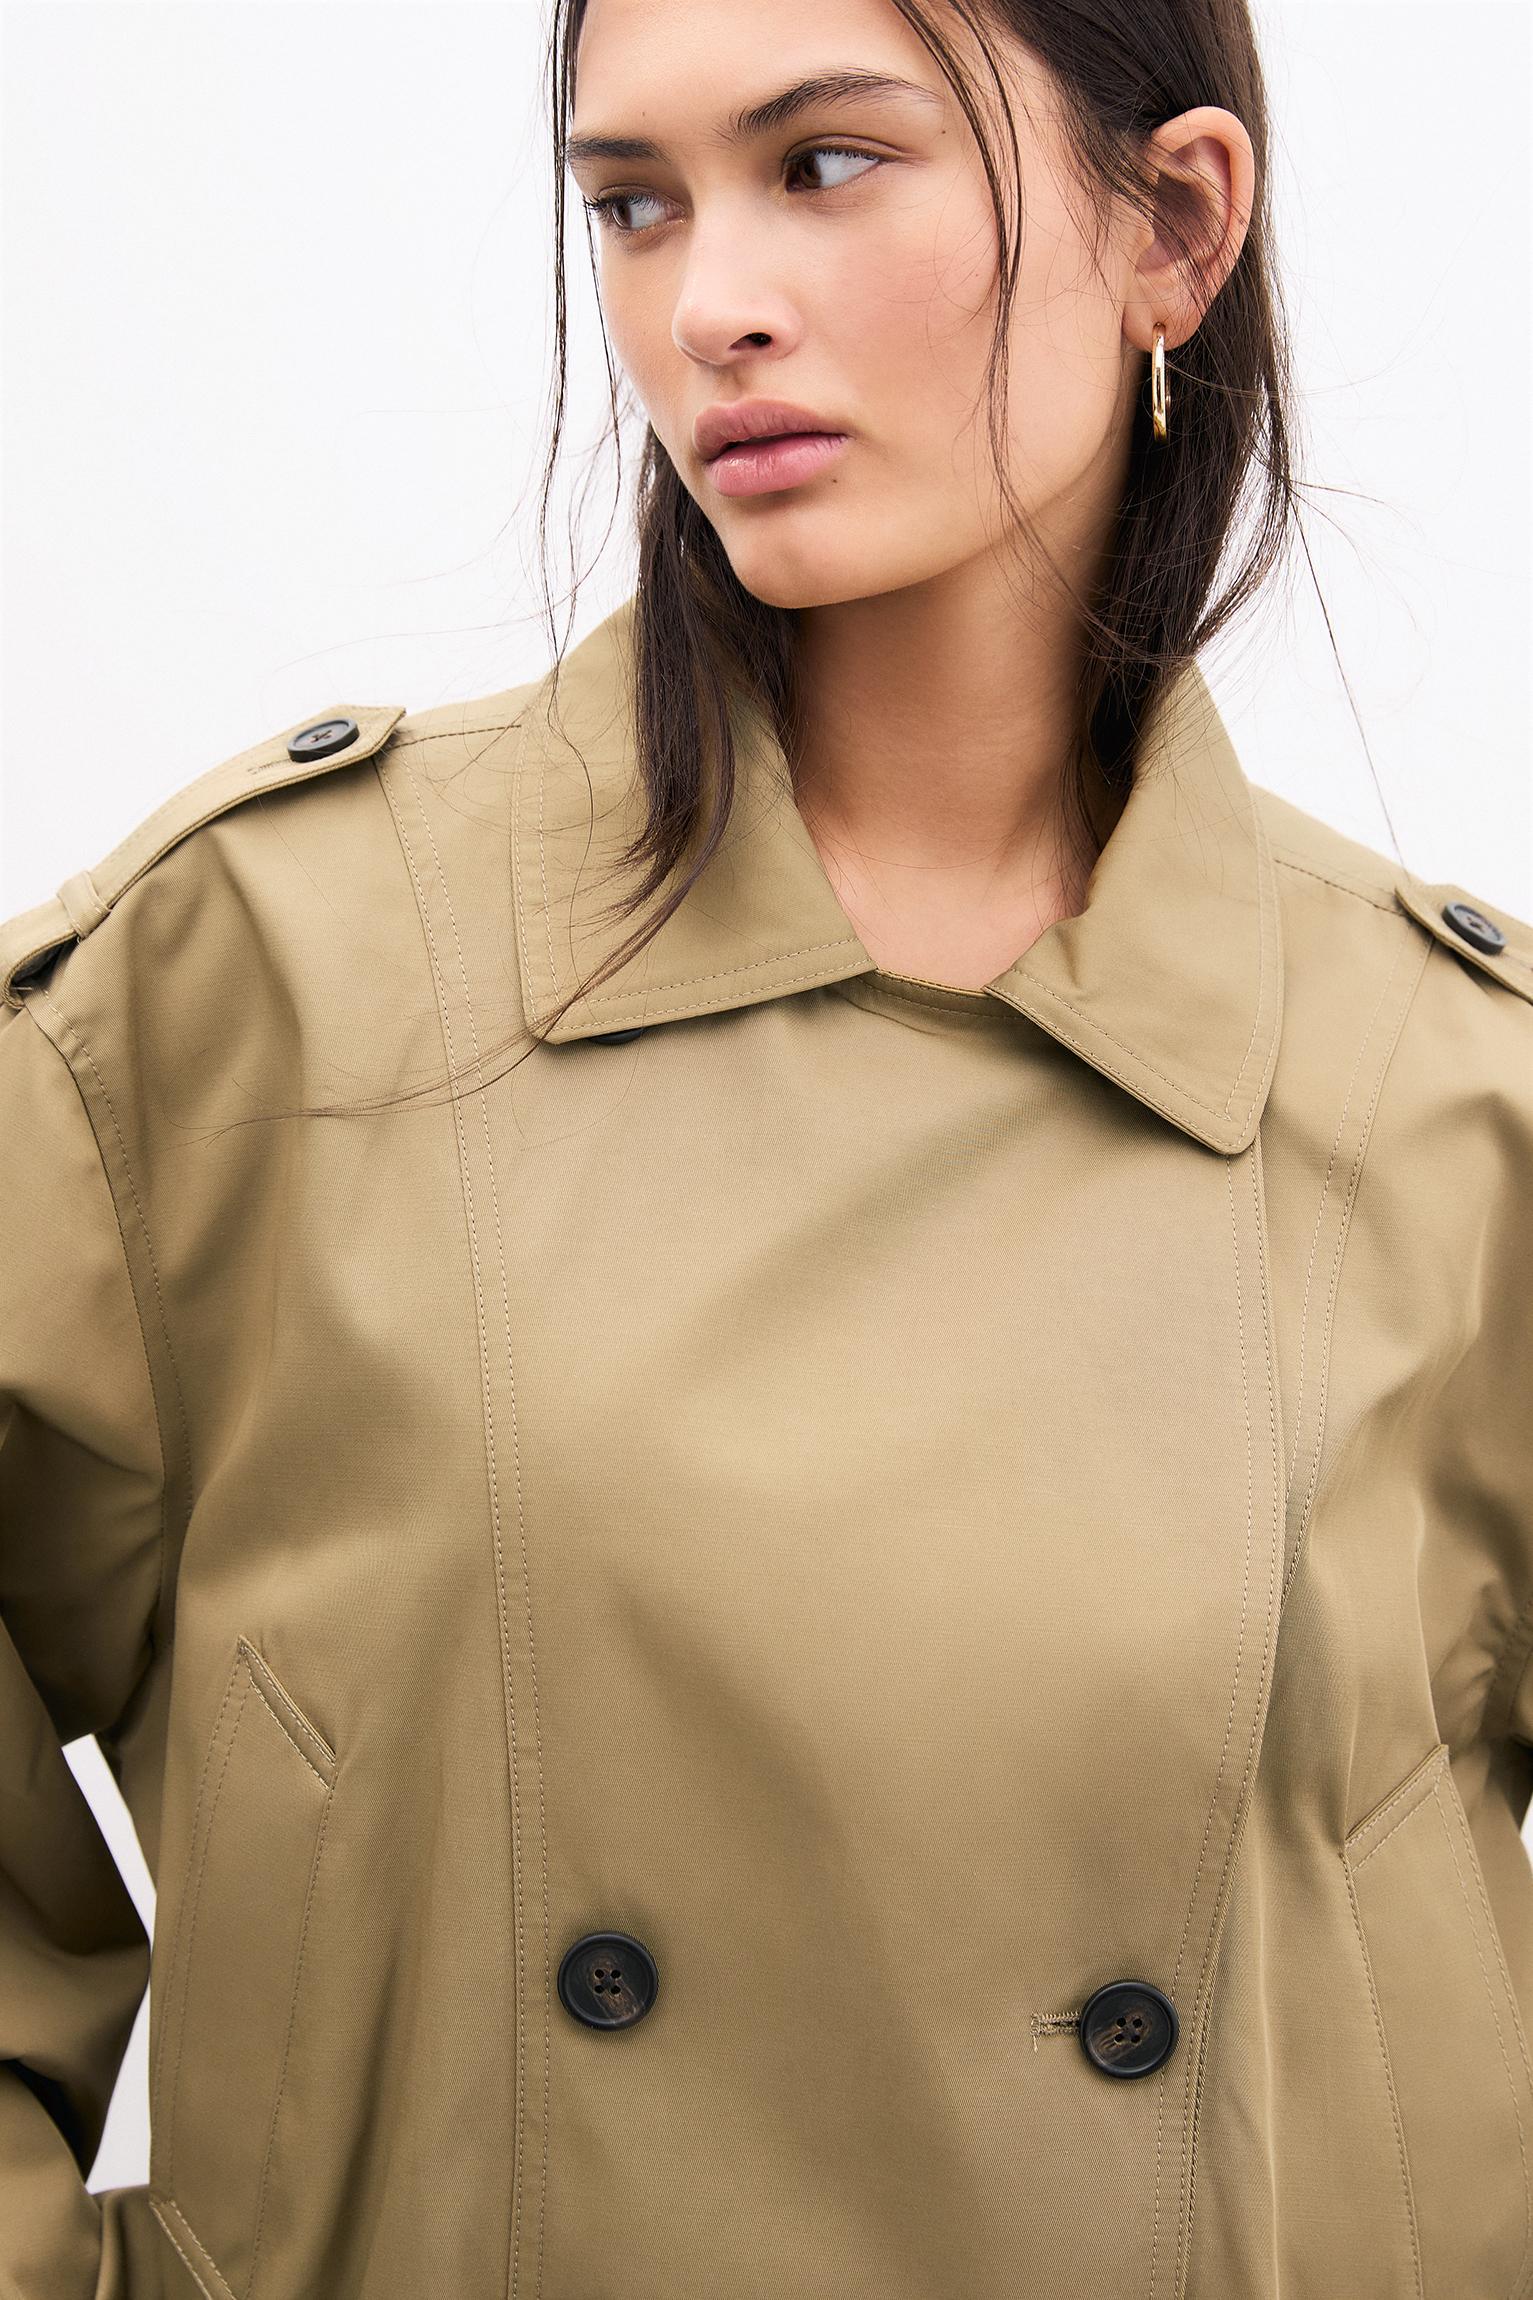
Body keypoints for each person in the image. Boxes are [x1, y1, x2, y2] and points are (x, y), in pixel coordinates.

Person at [3, 0, 1531, 2293]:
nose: (705, 299)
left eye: (821, 165)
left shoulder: (1454, 1110)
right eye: (631, 202)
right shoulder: (264, 989)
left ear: (1172, 228)